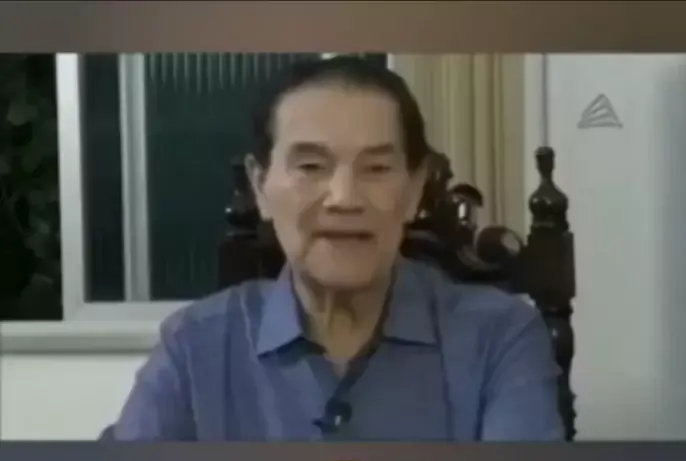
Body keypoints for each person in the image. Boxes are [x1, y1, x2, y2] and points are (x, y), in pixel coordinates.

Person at [105, 55, 563, 441]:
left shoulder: (499, 338)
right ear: (260, 185)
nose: (344, 198)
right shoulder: (194, 345)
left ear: (414, 189)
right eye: (311, 166)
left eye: (376, 168)